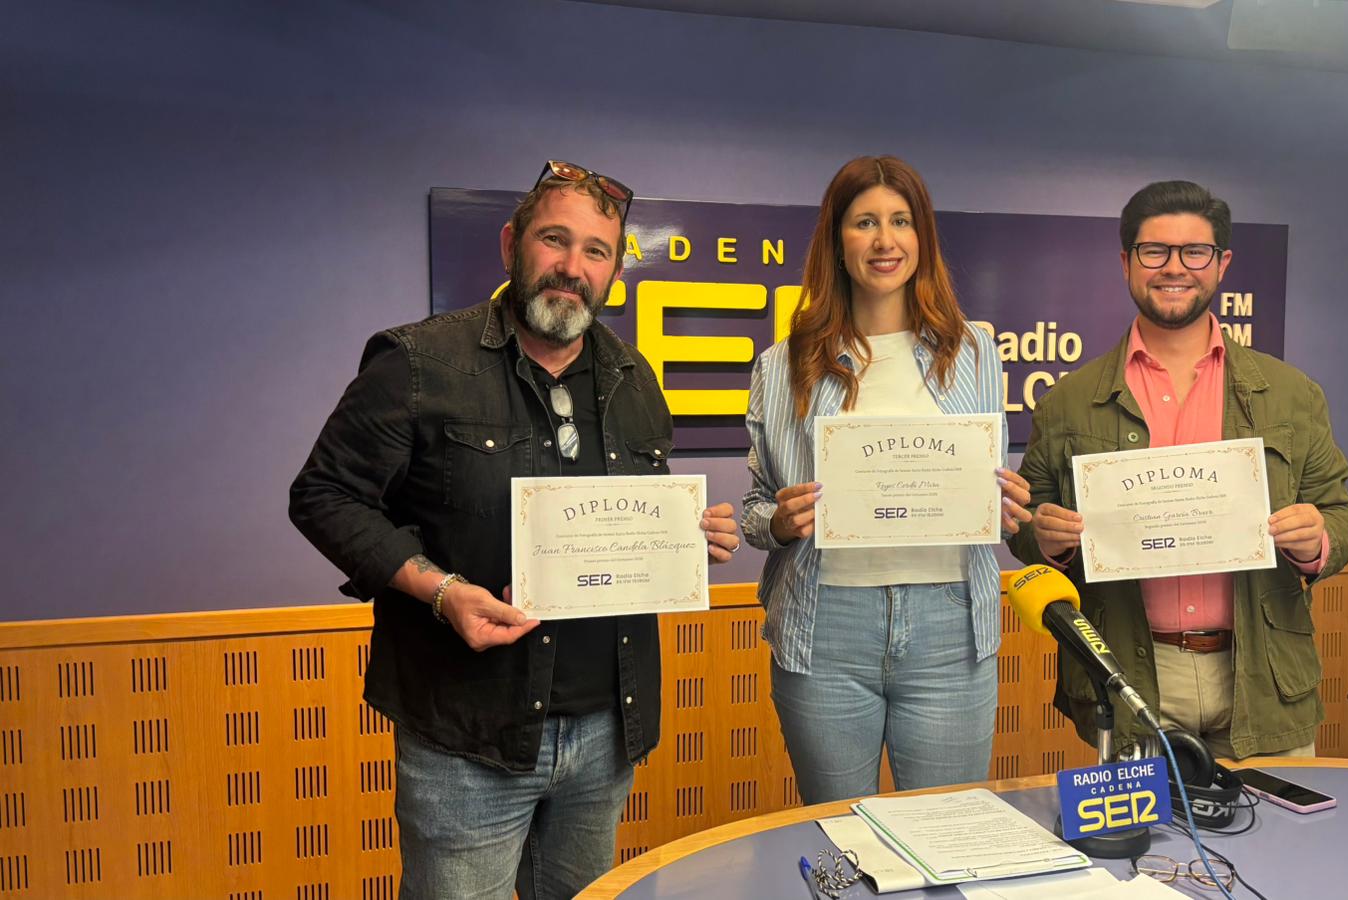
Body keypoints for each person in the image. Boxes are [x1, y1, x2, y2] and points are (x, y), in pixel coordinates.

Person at [288, 160, 740, 900]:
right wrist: (440, 592)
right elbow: (324, 495)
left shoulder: (634, 378)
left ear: (614, 269)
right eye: (554, 240)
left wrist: (691, 537)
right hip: (468, 736)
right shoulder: (419, 362)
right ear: (511, 244)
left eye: (596, 251)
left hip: (605, 732)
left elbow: (631, 522)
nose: (572, 267)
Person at [1007, 180, 1348, 761]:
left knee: (1283, 849)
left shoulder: (1292, 394)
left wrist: (1316, 538)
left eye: (1194, 252)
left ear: (1222, 264)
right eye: (1154, 252)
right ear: (1126, 263)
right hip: (1128, 680)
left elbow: (1340, 512)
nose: (1175, 268)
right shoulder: (1068, 400)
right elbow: (1026, 523)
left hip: (1263, 678)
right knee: (1139, 854)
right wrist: (1043, 536)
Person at [742, 156, 1033, 803]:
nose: (884, 240)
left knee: (947, 835)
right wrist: (776, 522)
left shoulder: (976, 351)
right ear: (835, 240)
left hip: (949, 625)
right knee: (842, 839)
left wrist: (1006, 503)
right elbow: (754, 510)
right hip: (826, 630)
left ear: (921, 237)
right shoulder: (784, 364)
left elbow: (990, 483)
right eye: (865, 222)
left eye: (901, 221)